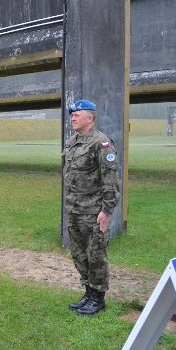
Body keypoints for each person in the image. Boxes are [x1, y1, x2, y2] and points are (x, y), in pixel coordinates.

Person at [62, 99, 120, 316]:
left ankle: (98, 298)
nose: (73, 118)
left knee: (96, 255)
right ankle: (88, 292)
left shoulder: (101, 143)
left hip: (93, 212)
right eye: (72, 115)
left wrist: (106, 211)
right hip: (74, 210)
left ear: (90, 118)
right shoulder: (73, 142)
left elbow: (110, 180)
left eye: (77, 115)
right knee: (79, 254)